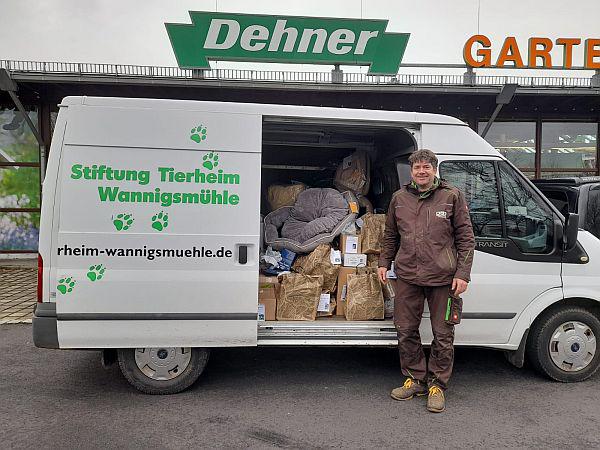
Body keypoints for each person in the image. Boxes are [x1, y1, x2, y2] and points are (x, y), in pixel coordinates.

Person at [378, 149, 475, 413]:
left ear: (434, 169)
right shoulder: (399, 198)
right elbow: (390, 235)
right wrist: (383, 263)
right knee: (405, 330)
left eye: (426, 167)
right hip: (408, 276)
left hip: (443, 278)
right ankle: (415, 380)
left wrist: (462, 274)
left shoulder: (451, 196)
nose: (421, 172)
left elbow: (466, 239)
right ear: (411, 171)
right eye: (417, 168)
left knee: (443, 334)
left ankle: (437, 386)